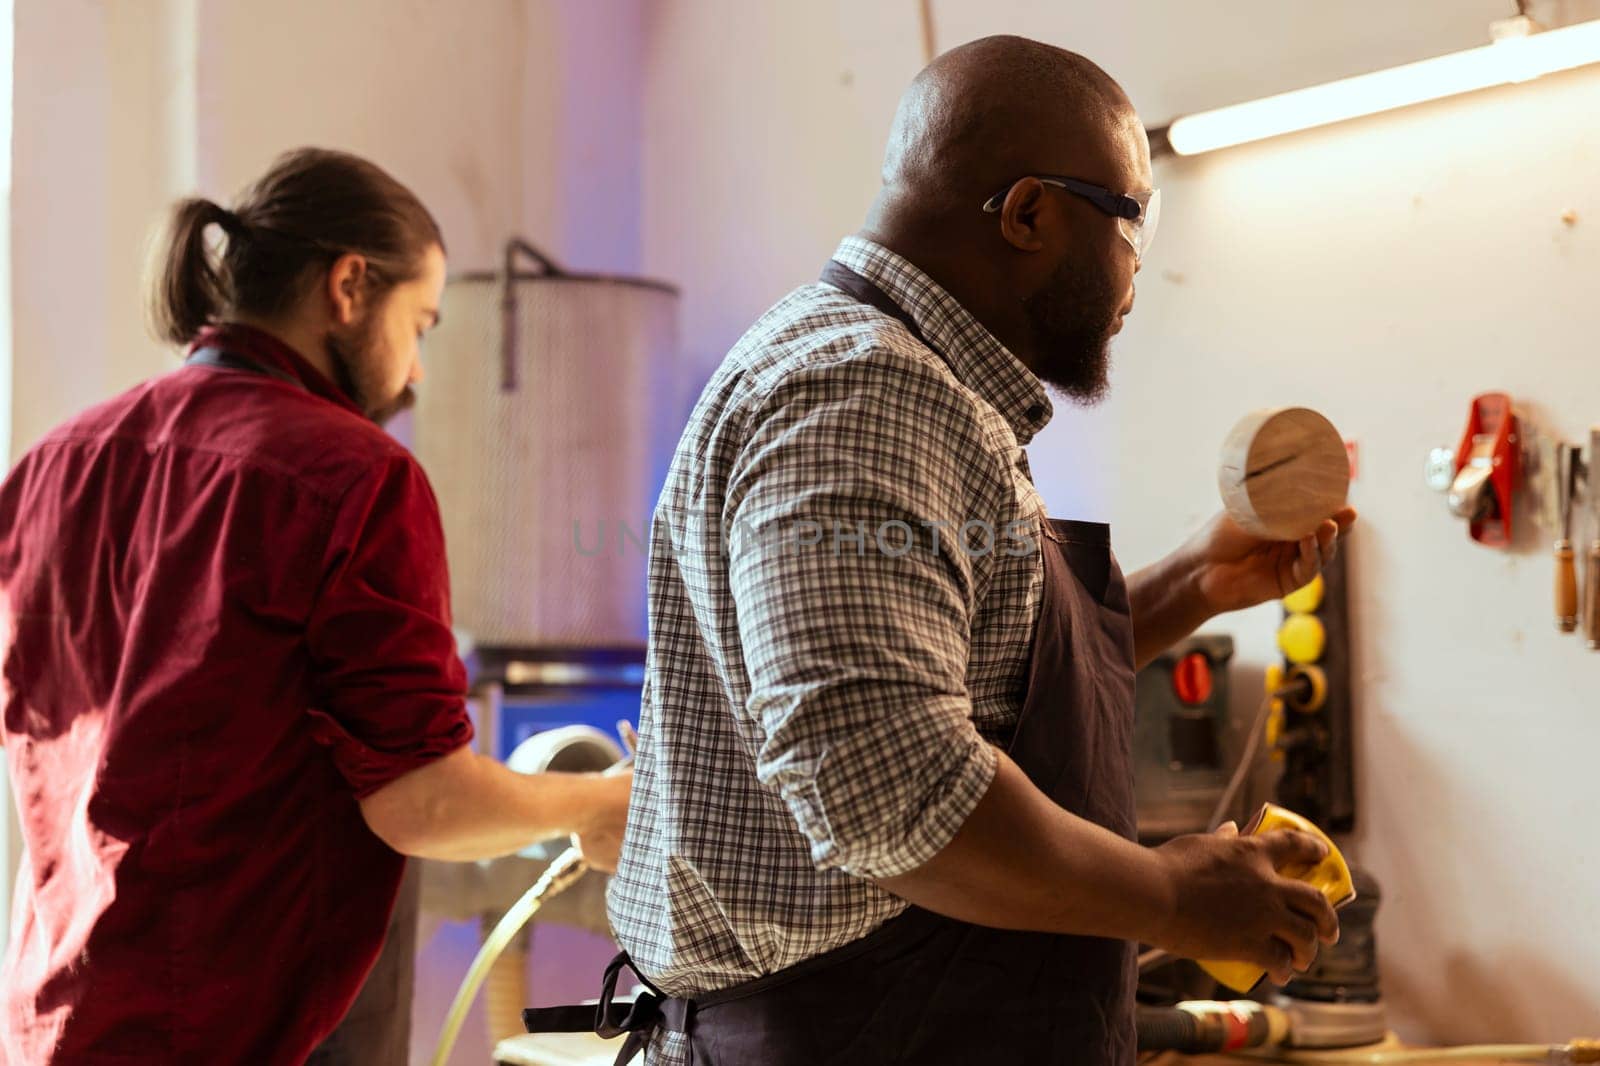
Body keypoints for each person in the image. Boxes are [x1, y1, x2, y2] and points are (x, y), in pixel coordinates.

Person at [591, 36, 1355, 1065]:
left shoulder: (897, 385)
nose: (1141, 264)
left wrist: (1191, 583)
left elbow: (952, 683)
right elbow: (883, 781)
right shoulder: (869, 389)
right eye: (1134, 217)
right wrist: (1171, 894)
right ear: (1029, 214)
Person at [0, 148, 631, 1064]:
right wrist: (596, 803)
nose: (415, 373)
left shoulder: (54, 462)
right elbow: (420, 801)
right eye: (419, 323)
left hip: (52, 1011)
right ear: (347, 286)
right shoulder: (354, 476)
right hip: (241, 1027)